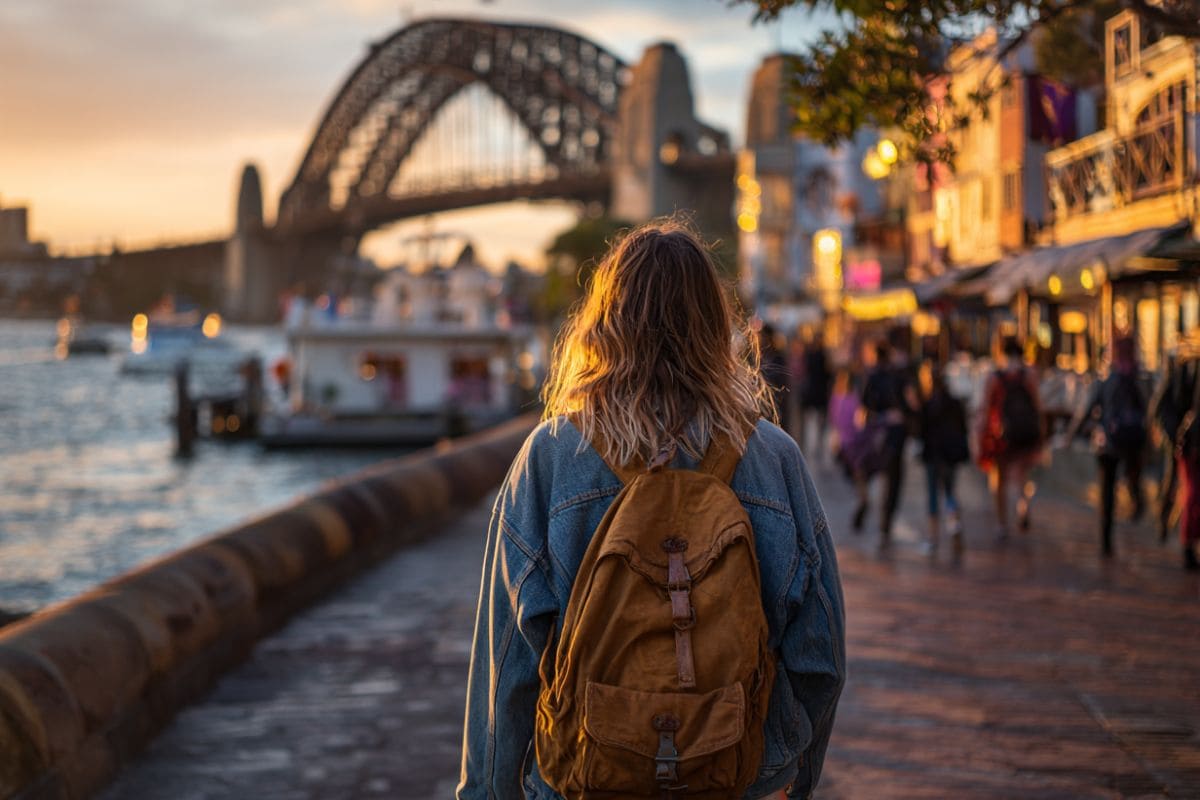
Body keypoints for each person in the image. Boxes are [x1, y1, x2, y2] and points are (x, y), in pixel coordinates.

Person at [458, 221, 846, 800]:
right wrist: (790, 773)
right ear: (715, 325)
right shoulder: (774, 458)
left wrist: (491, 793)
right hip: (736, 775)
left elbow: (508, 661)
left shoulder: (552, 456)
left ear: (605, 325)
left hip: (586, 778)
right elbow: (821, 656)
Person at [1065, 337, 1147, 557]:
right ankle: (1136, 502)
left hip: (1108, 442)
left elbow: (1087, 408)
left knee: (1107, 490)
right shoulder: (1138, 378)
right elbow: (1147, 409)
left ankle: (1106, 538)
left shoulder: (1106, 379)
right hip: (1131, 441)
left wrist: (1071, 434)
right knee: (1131, 476)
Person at [978, 335, 1043, 538]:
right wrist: (1041, 431)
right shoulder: (1029, 374)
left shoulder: (995, 377)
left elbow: (985, 408)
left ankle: (1001, 523)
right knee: (1022, 475)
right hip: (1025, 431)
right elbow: (1038, 405)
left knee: (999, 479)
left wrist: (980, 434)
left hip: (1000, 435)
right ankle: (1023, 506)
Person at [855, 338, 913, 544]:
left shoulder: (870, 377)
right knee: (893, 480)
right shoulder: (899, 376)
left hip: (874, 436)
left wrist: (875, 419)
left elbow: (861, 414)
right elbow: (911, 405)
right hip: (895, 435)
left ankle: (865, 501)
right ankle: (885, 523)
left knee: (865, 472)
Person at [917, 363, 970, 555]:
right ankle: (954, 525)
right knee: (949, 492)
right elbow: (963, 429)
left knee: (933, 496)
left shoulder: (928, 404)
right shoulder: (954, 402)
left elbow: (920, 432)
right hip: (951, 455)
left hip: (934, 455)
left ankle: (932, 538)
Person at [796, 329, 833, 459]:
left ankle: (814, 444)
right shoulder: (820, 355)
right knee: (817, 419)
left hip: (815, 390)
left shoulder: (812, 355)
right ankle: (816, 443)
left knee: (815, 419)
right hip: (817, 391)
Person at [760, 323, 790, 434]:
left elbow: (784, 387)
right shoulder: (760, 359)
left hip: (777, 411)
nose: (759, 340)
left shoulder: (778, 359)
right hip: (764, 412)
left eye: (762, 337)